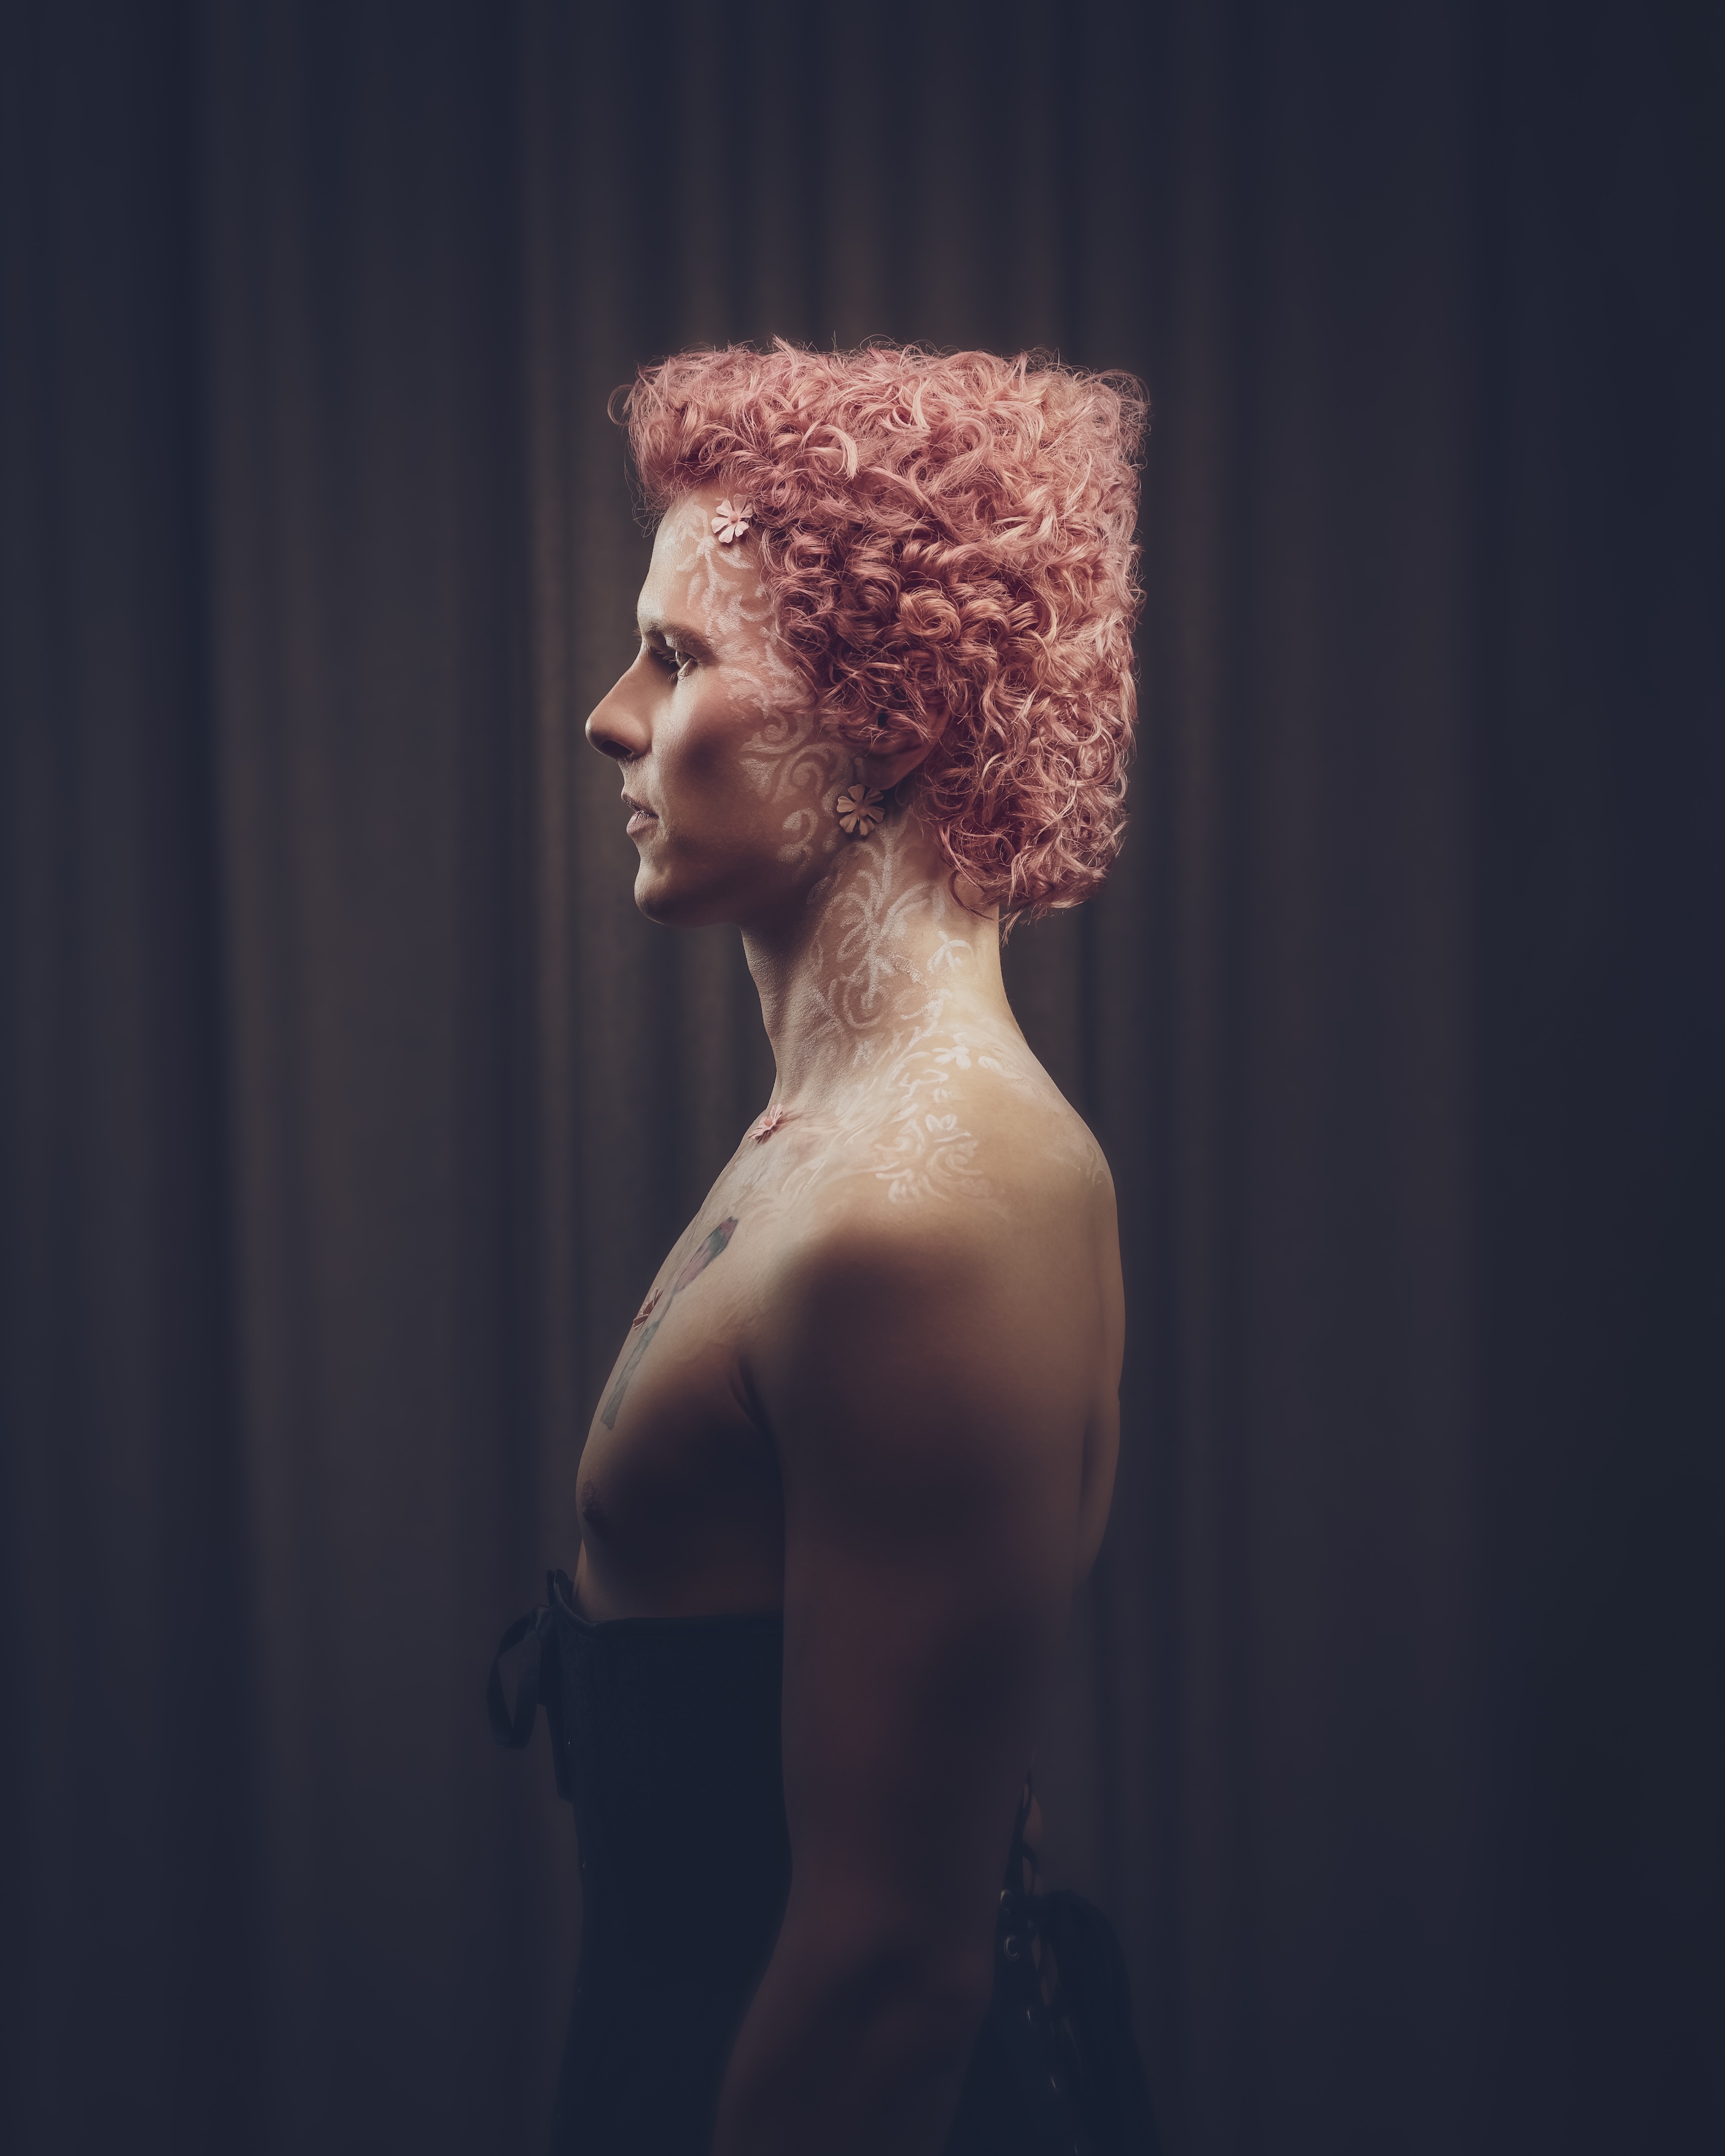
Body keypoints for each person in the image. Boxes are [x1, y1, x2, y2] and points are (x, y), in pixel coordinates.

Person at [490, 341, 1153, 2156]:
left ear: (888, 719)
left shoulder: (922, 1216)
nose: (610, 715)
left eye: (680, 657)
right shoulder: (844, 1135)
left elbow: (883, 1980)